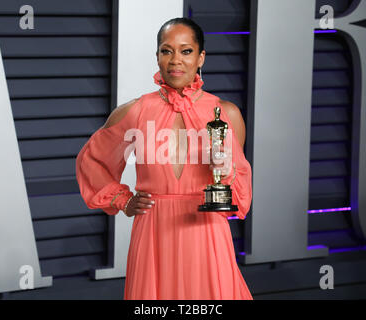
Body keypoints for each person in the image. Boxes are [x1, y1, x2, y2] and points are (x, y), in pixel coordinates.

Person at [76, 17, 253, 300]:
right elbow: (93, 162)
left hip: (207, 231)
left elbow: (236, 188)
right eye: (166, 50)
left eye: (186, 51)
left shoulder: (227, 113)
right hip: (153, 231)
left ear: (201, 57)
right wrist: (123, 200)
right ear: (157, 56)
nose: (175, 60)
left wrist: (226, 175)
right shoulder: (134, 111)